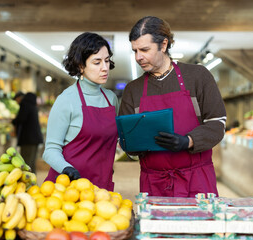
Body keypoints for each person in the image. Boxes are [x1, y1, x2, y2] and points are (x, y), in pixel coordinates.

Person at [119, 16, 227, 197]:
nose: (138, 57)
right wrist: (132, 146)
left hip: (197, 180)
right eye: (135, 51)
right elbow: (125, 139)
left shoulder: (198, 76)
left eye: (145, 49)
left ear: (163, 45)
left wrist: (189, 141)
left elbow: (217, 123)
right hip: (154, 183)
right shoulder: (133, 90)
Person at [43, 32, 119, 191]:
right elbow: (50, 150)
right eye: (97, 62)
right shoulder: (66, 100)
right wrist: (66, 169)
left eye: (106, 61)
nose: (105, 68)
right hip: (67, 189)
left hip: (100, 187)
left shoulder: (111, 99)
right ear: (80, 66)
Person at [12, 92, 43, 173]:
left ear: (19, 98)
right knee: (32, 163)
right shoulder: (33, 105)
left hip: (28, 139)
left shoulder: (25, 105)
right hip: (35, 138)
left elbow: (21, 118)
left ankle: (27, 182)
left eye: (16, 100)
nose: (17, 102)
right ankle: (33, 182)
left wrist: (13, 121)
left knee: (26, 163)